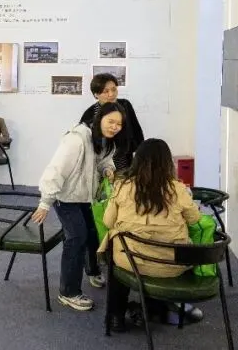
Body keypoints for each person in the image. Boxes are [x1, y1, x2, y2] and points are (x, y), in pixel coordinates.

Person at [100, 138, 203, 332]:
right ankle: (151, 309)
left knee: (116, 251)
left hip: (131, 261)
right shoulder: (178, 189)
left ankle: (115, 316)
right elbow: (194, 219)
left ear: (137, 161)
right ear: (168, 163)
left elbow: (107, 222)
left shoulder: (122, 187)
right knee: (162, 246)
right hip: (171, 265)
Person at [32, 102, 124, 312]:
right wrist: (45, 202)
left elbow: (102, 161)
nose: (115, 127)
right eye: (111, 121)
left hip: (84, 196)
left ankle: (92, 270)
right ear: (99, 118)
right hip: (65, 196)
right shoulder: (77, 139)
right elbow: (56, 170)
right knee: (77, 237)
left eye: (119, 124)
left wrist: (108, 169)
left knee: (92, 233)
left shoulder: (105, 139)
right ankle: (68, 292)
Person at [80, 73, 144, 171]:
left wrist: (140, 156)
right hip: (101, 166)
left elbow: (137, 131)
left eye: (114, 89)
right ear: (96, 94)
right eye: (106, 91)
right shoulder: (90, 114)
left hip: (124, 162)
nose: (111, 94)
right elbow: (86, 143)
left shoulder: (125, 105)